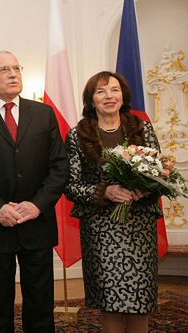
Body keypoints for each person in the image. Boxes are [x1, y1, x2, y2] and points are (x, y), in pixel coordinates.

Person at [0, 50, 68, 333]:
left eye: (16, 68)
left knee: (41, 302)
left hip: (37, 224)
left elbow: (59, 167)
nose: (12, 74)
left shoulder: (43, 113)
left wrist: (37, 205)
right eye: (4, 69)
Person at [64, 71, 162, 333]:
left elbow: (160, 173)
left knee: (141, 298)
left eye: (114, 90)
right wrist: (105, 192)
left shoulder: (142, 128)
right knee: (111, 299)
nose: (109, 96)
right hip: (101, 229)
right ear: (91, 99)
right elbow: (70, 186)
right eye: (101, 91)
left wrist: (145, 188)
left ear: (123, 95)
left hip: (139, 227)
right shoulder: (77, 136)